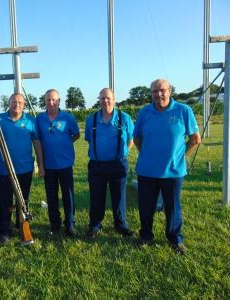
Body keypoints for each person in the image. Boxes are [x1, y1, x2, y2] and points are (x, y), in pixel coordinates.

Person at [133, 79, 201, 254]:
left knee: (173, 207)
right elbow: (137, 138)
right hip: (147, 170)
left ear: (170, 91)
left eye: (162, 90)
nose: (158, 94)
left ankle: (175, 239)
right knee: (146, 207)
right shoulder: (145, 112)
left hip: (173, 171)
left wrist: (179, 156)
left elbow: (195, 139)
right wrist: (146, 154)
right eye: (154, 91)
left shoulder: (183, 111)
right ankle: (146, 236)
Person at [85, 88, 134, 238]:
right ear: (99, 100)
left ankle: (121, 225)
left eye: (108, 98)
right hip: (97, 165)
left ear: (114, 99)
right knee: (96, 197)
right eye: (102, 98)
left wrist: (122, 154)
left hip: (118, 165)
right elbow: (88, 138)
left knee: (119, 197)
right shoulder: (91, 119)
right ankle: (95, 225)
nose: (105, 101)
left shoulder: (124, 118)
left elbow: (130, 140)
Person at [0, 93, 45, 244]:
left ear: (24, 104)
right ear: (8, 103)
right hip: (4, 169)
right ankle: (4, 230)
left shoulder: (31, 120)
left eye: (20, 102)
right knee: (5, 201)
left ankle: (21, 224)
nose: (17, 104)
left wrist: (41, 165)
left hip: (25, 168)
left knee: (23, 200)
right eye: (14, 101)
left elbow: (36, 142)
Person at [36, 89, 80, 236]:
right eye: (48, 100)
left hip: (65, 164)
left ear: (59, 101)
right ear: (45, 102)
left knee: (68, 196)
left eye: (54, 99)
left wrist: (65, 143)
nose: (51, 102)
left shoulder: (68, 117)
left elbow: (76, 134)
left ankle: (70, 224)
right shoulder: (40, 119)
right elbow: (38, 140)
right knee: (51, 196)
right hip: (48, 165)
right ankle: (55, 224)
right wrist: (40, 165)